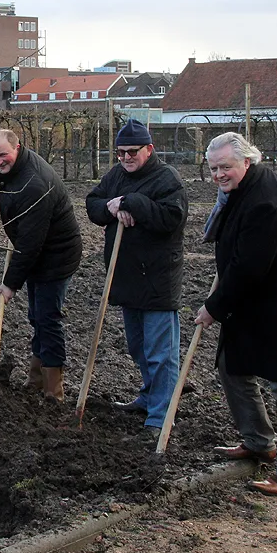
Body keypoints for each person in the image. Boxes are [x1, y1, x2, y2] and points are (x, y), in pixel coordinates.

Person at [194, 132, 277, 497]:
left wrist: (213, 307)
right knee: (232, 367)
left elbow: (249, 269)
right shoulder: (241, 190)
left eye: (226, 167)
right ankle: (258, 441)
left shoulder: (265, 201)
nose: (219, 175)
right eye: (213, 168)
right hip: (253, 304)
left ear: (247, 162)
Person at [85, 120, 187, 437]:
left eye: (132, 152)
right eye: (121, 153)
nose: (126, 158)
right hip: (126, 277)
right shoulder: (117, 175)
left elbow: (172, 218)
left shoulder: (166, 179)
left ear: (149, 149)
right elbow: (93, 203)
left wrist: (133, 203)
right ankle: (149, 396)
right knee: (138, 347)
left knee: (160, 352)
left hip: (157, 279)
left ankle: (161, 414)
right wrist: (112, 206)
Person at [0, 128, 83, 401]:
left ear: (17, 148)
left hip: (56, 257)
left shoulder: (34, 184)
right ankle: (36, 380)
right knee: (37, 316)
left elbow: (31, 245)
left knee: (47, 319)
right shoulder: (17, 171)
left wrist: (9, 283)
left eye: (3, 155)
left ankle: (54, 392)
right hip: (39, 252)